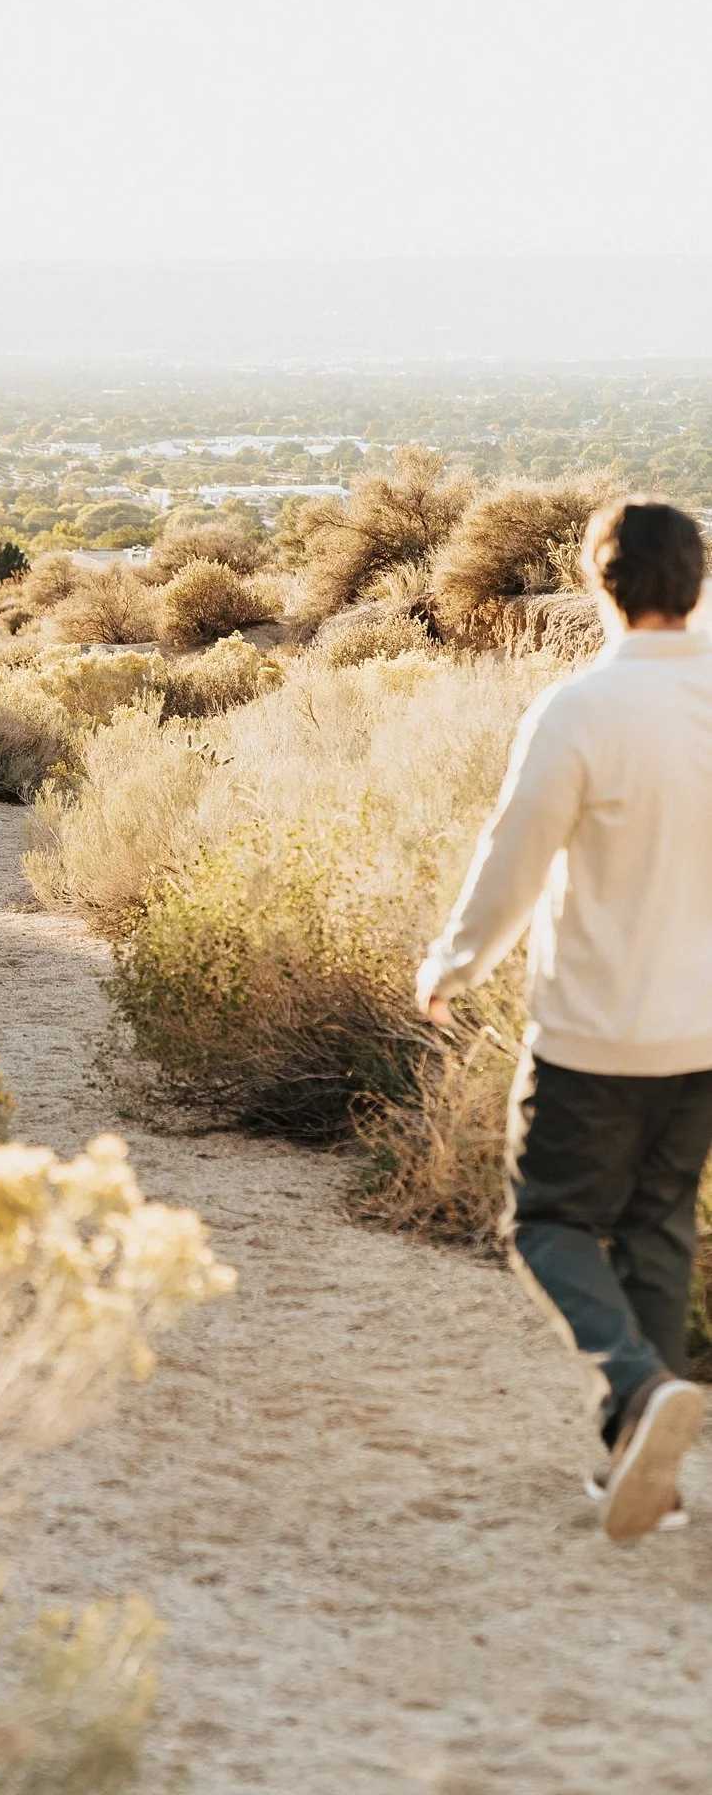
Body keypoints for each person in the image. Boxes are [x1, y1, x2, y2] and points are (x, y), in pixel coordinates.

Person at [417, 497, 712, 1543]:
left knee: (546, 1222)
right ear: (700, 578)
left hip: (594, 1029)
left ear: (598, 582)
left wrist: (453, 962)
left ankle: (637, 1387)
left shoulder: (581, 710)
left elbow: (516, 858)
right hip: (704, 1037)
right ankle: (644, 1472)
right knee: (657, 1230)